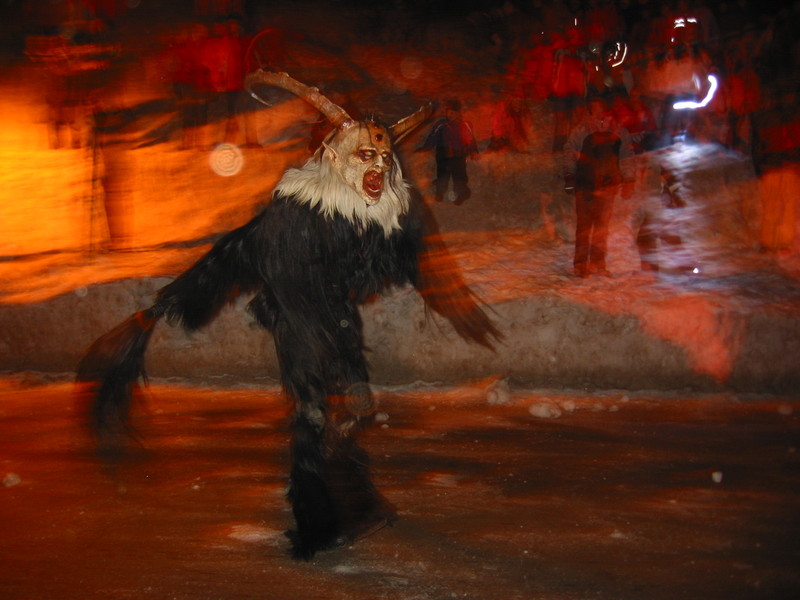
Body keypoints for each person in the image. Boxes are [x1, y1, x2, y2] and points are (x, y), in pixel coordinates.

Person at [563, 95, 634, 277]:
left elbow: (626, 156)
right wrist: (570, 178)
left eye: (602, 108)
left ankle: (598, 264)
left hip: (608, 186)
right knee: (584, 227)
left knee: (602, 227)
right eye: (595, 108)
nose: (599, 112)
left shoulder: (618, 130)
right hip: (585, 184)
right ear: (590, 110)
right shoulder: (582, 130)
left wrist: (629, 179)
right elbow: (570, 153)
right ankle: (580, 265)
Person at [420, 99, 479, 205]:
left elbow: (470, 139)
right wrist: (426, 147)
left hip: (459, 156)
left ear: (458, 113)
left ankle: (461, 195)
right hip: (444, 155)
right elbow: (433, 137)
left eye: (452, 113)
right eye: (448, 113)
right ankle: (440, 192)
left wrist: (473, 151)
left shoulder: (465, 125)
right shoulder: (441, 125)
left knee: (459, 177)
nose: (450, 115)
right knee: (443, 175)